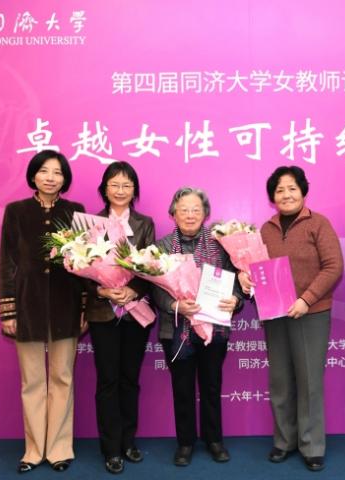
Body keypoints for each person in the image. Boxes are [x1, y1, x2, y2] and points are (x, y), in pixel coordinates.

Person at [238, 166, 343, 472]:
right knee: (281, 380)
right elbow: (255, 268)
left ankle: (311, 445)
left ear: (303, 191)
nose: (286, 195)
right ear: (272, 197)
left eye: (292, 188)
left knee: (309, 381)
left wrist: (306, 300)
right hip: (275, 314)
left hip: (311, 314)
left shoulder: (318, 224)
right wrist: (246, 279)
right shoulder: (265, 230)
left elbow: (333, 267)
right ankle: (284, 441)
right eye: (280, 190)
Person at [0, 150, 86, 474]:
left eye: (58, 172)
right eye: (44, 171)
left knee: (62, 378)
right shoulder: (16, 211)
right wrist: (8, 310)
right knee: (32, 381)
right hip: (27, 306)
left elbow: (86, 263)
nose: (51, 177)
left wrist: (84, 306)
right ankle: (34, 450)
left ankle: (59, 448)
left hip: (67, 305)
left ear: (65, 179)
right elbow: (7, 261)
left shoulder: (76, 212)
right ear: (33, 175)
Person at [151, 187, 243, 467]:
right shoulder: (162, 247)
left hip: (214, 328)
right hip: (176, 328)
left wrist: (235, 299)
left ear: (205, 214)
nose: (190, 215)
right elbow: (154, 288)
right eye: (184, 210)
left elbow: (236, 280)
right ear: (173, 214)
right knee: (182, 388)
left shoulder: (221, 245)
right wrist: (175, 305)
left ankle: (214, 440)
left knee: (212, 385)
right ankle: (185, 442)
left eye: (196, 210)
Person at [84, 162, 155, 474]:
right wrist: (101, 290)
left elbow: (151, 267)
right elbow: (80, 264)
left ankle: (128, 441)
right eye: (114, 184)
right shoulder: (91, 223)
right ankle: (111, 448)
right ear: (104, 188)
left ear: (134, 190)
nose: (121, 190)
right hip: (103, 313)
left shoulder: (145, 223)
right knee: (108, 380)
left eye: (127, 185)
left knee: (129, 379)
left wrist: (132, 290)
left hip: (134, 312)